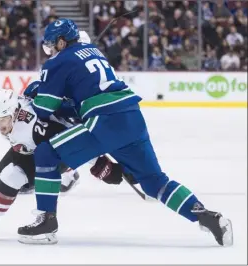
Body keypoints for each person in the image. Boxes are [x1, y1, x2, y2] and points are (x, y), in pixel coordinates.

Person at [17, 19, 234, 247]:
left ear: (61, 41)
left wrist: (37, 92)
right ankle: (207, 216)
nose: (50, 50)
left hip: (103, 121)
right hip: (132, 116)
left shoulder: (57, 62)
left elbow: (43, 109)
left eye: (52, 44)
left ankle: (46, 222)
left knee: (46, 154)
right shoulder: (94, 51)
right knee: (154, 182)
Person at [0, 89, 130, 239]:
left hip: (50, 153)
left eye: (4, 119)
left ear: (15, 113)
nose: (0, 125)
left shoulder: (35, 128)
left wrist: (101, 164)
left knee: (11, 177)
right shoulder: (9, 107)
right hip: (26, 148)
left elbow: (76, 141)